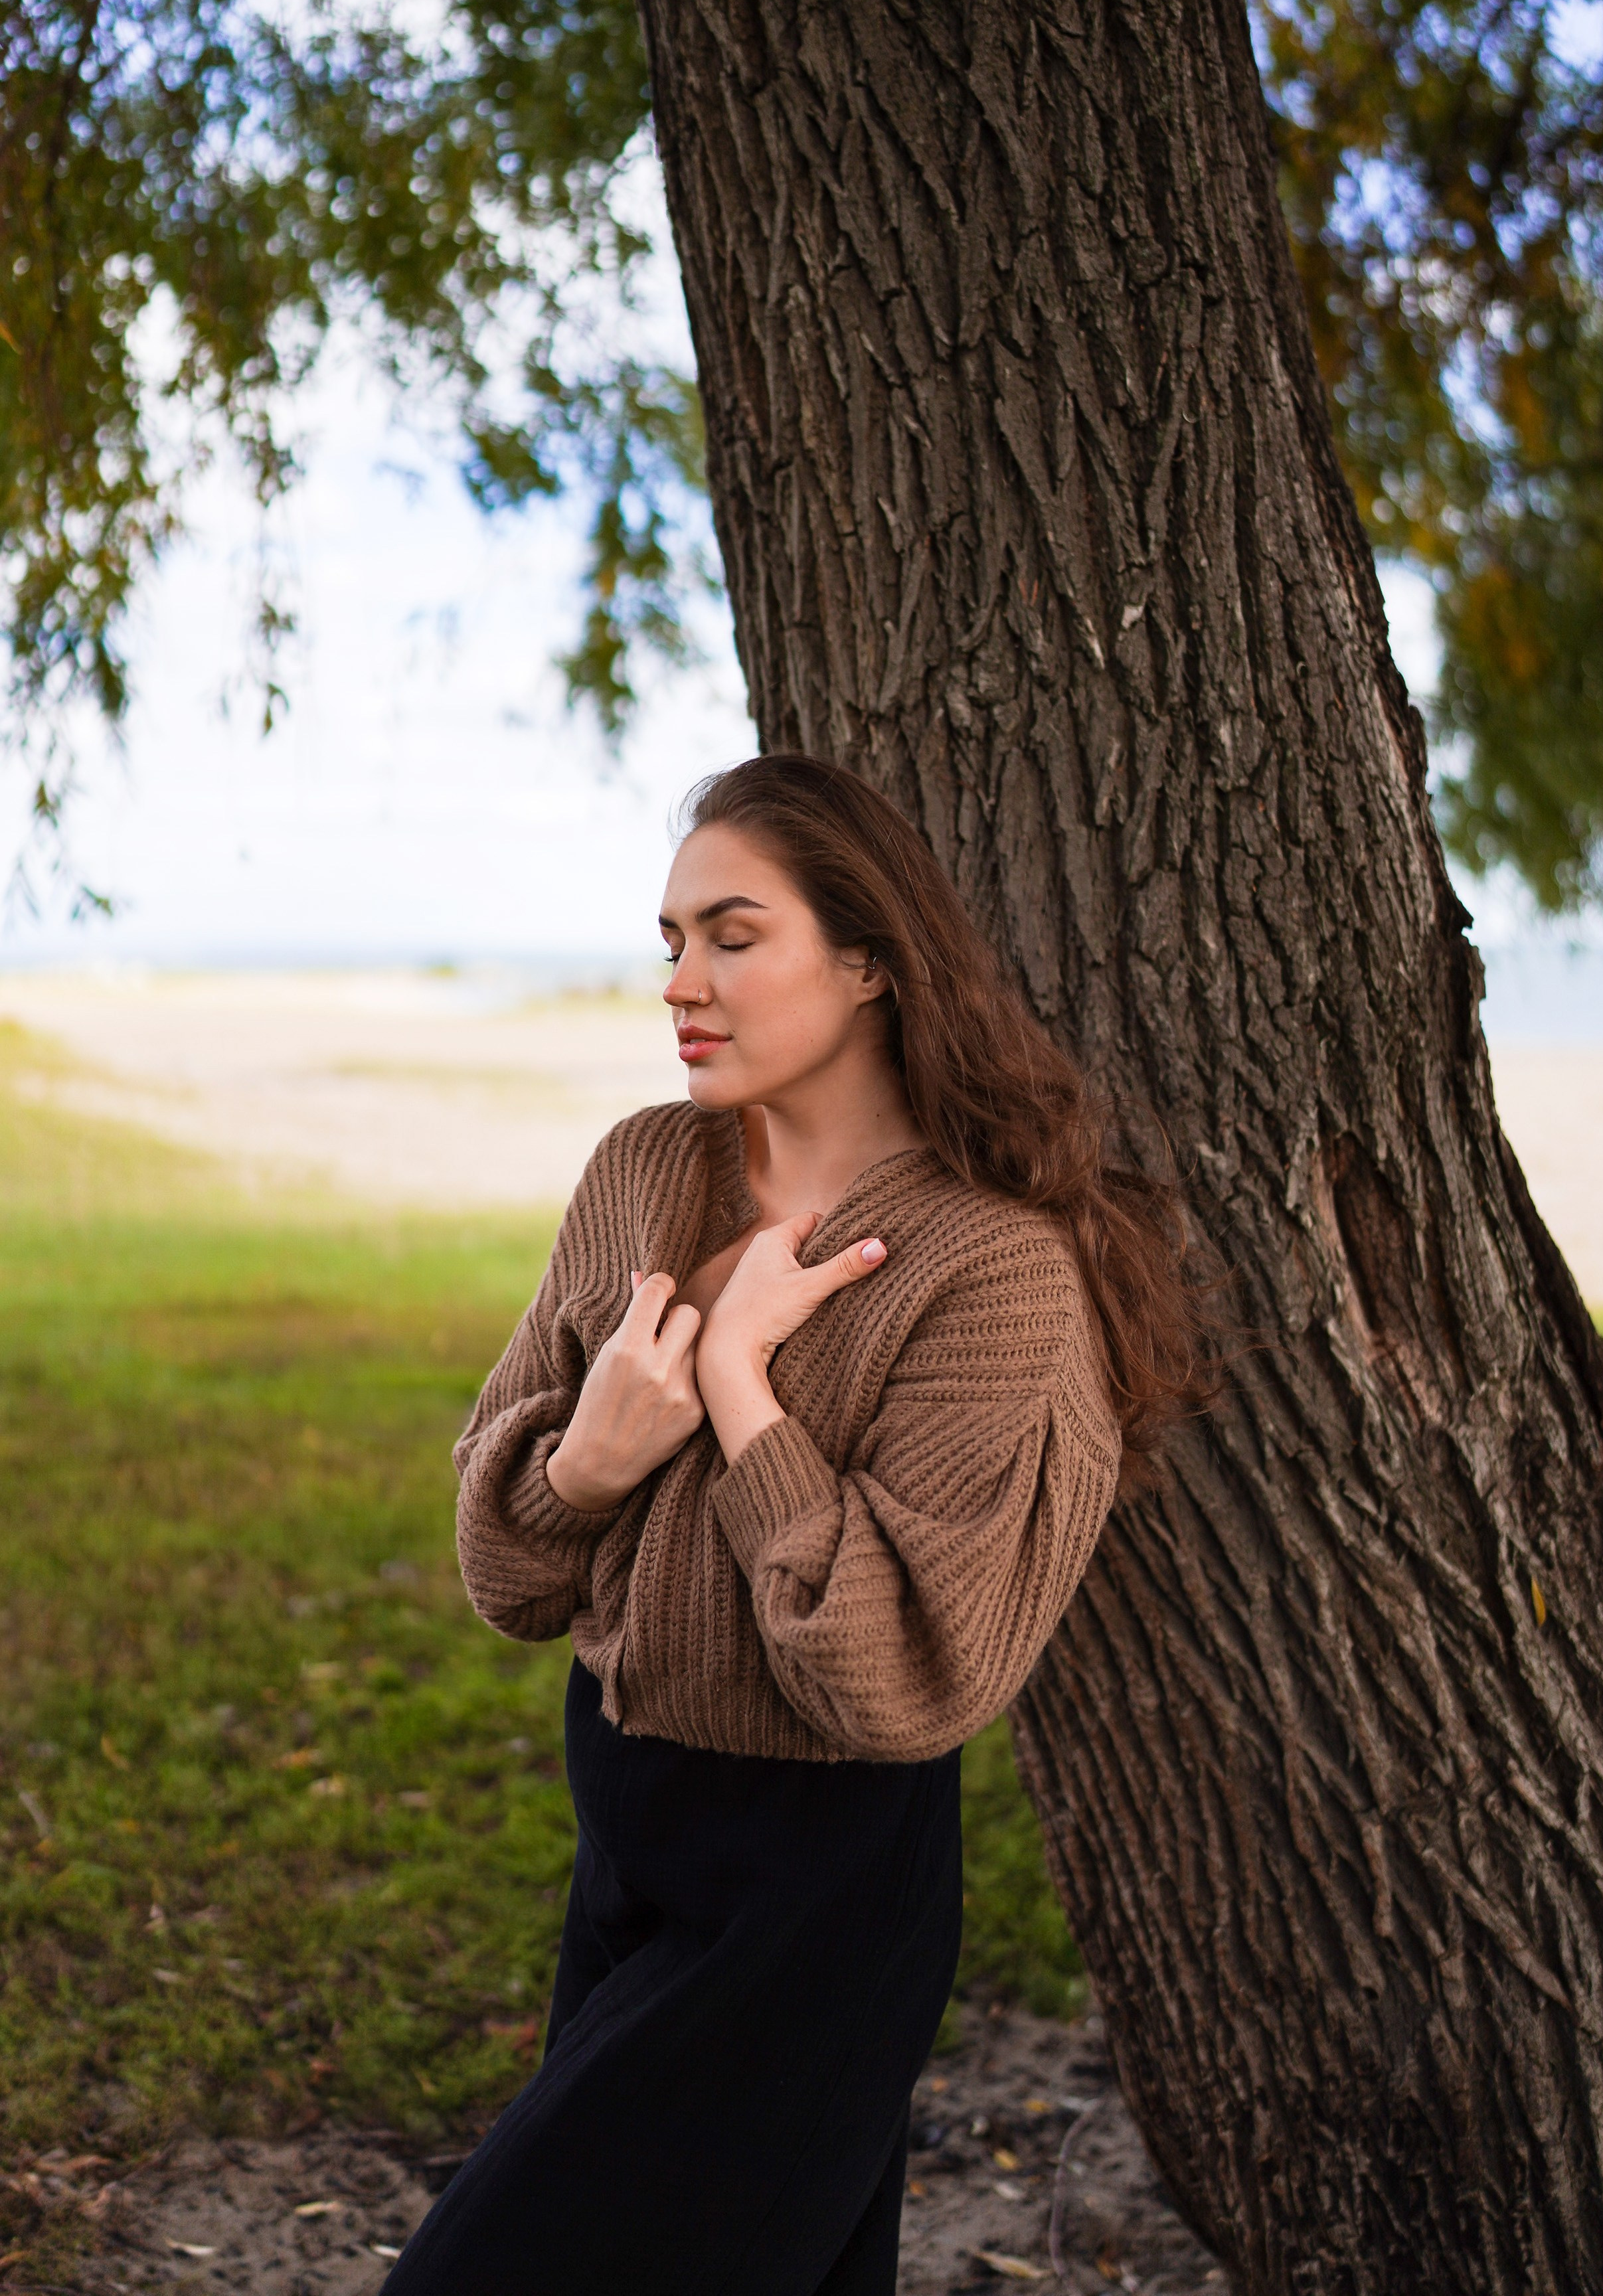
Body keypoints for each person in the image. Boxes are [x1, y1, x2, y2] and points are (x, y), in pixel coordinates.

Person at [382, 753, 1208, 2296]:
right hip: (626, 1836)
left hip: (813, 1896)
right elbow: (504, 1569)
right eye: (670, 940)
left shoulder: (994, 1271)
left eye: (733, 935)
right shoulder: (648, 1168)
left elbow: (904, 1682)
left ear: (872, 957)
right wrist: (596, 1460)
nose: (682, 981)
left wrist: (743, 1388)